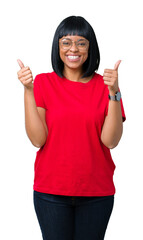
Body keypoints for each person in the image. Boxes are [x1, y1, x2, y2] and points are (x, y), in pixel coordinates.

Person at [17, 15, 126, 240]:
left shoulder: (105, 86)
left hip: (97, 192)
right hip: (51, 192)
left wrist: (114, 92)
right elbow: (38, 140)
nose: (73, 48)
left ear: (90, 47)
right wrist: (28, 90)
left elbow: (111, 141)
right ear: (57, 47)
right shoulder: (44, 83)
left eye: (81, 42)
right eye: (66, 42)